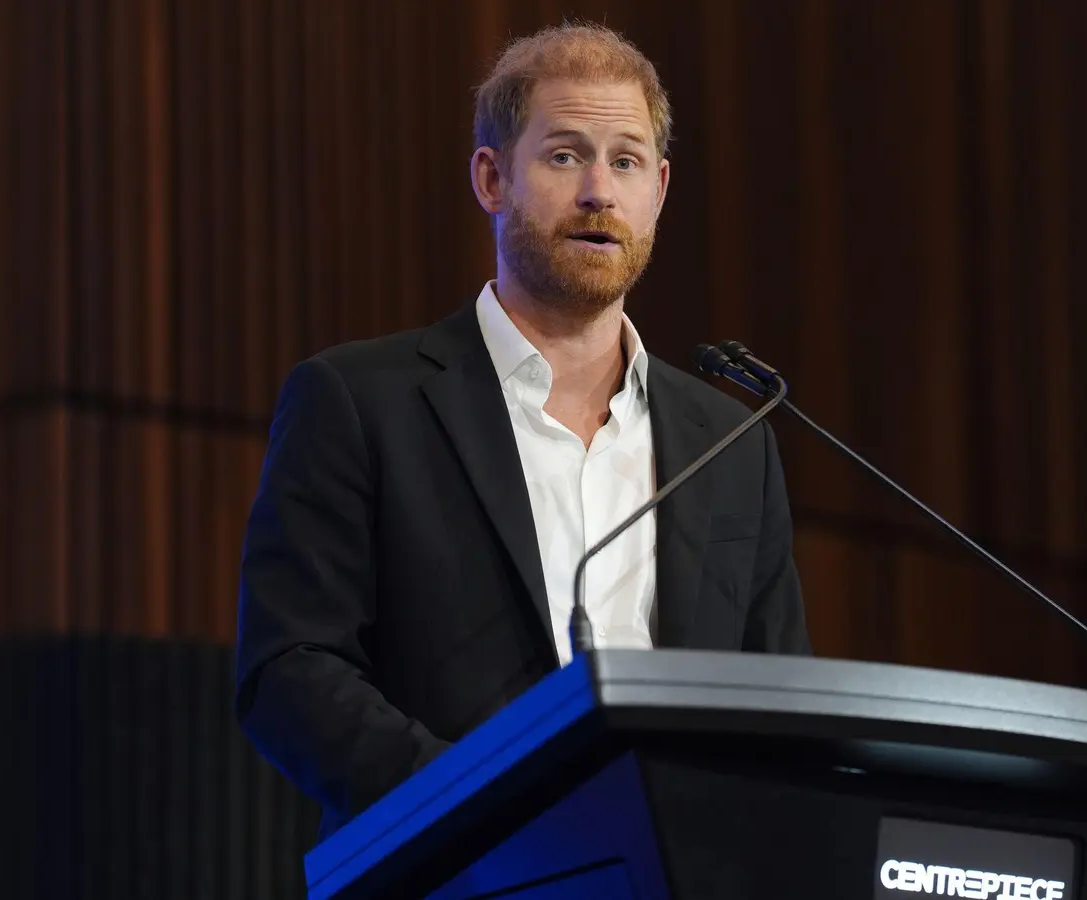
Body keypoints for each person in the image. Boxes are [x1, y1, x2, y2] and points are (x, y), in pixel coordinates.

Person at [233, 23, 810, 843]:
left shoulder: (729, 443)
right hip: (453, 868)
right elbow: (290, 670)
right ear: (492, 178)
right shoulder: (359, 403)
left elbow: (779, 701)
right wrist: (485, 814)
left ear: (659, 189)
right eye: (565, 156)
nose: (599, 193)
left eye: (626, 161)